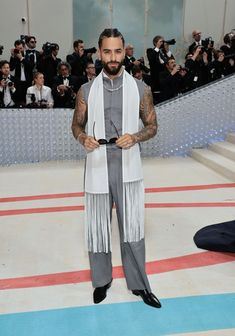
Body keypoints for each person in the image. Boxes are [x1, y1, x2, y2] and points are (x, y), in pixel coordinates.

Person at [71, 28, 161, 308]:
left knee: (132, 227)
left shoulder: (141, 89)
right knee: (98, 226)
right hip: (98, 164)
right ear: (99, 53)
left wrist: (134, 136)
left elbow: (152, 126)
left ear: (125, 51)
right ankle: (101, 281)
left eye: (118, 51)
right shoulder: (86, 90)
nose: (112, 57)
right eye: (107, 51)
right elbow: (76, 125)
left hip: (128, 165)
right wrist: (82, 138)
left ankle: (139, 284)